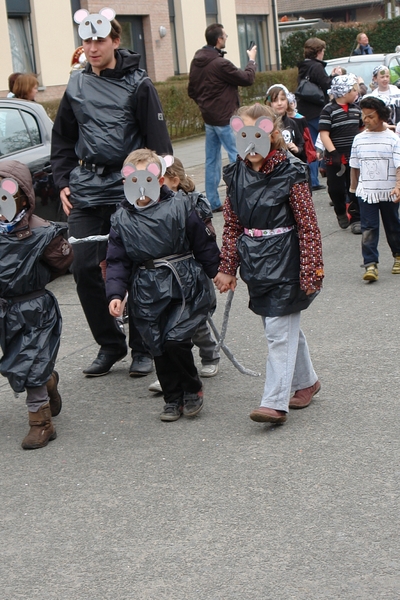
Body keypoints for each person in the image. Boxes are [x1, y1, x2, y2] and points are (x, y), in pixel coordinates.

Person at [50, 8, 173, 378]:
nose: (92, 47)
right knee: (86, 267)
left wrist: (160, 186)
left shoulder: (140, 85)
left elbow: (159, 144)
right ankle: (109, 343)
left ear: (115, 41)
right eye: (86, 40)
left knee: (134, 266)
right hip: (86, 188)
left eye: (99, 40)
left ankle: (142, 347)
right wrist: (62, 180)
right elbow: (63, 138)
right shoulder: (75, 85)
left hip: (129, 188)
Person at [214, 104, 323, 424]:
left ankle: (275, 401)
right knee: (282, 327)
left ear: (270, 133)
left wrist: (311, 268)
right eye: (242, 136)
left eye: (256, 135)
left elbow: (308, 225)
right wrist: (227, 267)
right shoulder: (235, 175)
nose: (249, 144)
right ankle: (307, 383)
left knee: (278, 331)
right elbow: (232, 225)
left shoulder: (291, 172)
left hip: (288, 261)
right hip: (256, 263)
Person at [106, 149, 220, 422]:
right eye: (134, 180)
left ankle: (192, 389)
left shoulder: (181, 207)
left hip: (183, 283)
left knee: (176, 339)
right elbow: (117, 260)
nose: (141, 187)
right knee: (157, 344)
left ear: (160, 180)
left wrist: (218, 271)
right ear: (125, 182)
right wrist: (116, 293)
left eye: (148, 178)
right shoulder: (121, 219)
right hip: (146, 289)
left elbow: (202, 243)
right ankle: (172, 397)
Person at [0, 160, 73, 449]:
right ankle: (48, 381)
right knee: (16, 363)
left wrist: (33, 280)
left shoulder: (42, 233)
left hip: (34, 307)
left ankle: (41, 423)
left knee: (30, 363)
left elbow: (62, 261)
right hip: (5, 310)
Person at [148, 157, 220, 394]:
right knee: (166, 327)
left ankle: (210, 354)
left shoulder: (193, 205)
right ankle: (173, 372)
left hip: (189, 273)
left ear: (174, 181)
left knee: (193, 324)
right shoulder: (147, 207)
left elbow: (205, 239)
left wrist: (214, 270)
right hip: (161, 278)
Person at [188, 23, 257, 212]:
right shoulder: (220, 64)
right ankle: (244, 194)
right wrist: (251, 60)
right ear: (219, 39)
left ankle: (213, 201)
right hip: (226, 118)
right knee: (238, 156)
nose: (226, 38)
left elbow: (191, 91)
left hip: (209, 119)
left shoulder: (196, 61)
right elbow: (247, 79)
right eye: (225, 35)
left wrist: (206, 105)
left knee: (212, 160)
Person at [349, 95, 400, 282]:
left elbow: (399, 165)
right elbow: (354, 166)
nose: (366, 120)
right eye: (364, 116)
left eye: (370, 116)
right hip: (366, 192)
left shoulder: (393, 139)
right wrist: (353, 191)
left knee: (393, 225)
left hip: (389, 191)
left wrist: (398, 186)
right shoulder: (358, 139)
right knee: (368, 227)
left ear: (381, 116)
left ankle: (398, 256)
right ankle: (370, 264)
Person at [318, 74, 363, 233]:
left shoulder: (357, 110)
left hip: (354, 158)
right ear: (344, 92)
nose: (356, 93)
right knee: (335, 189)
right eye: (353, 90)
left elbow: (362, 129)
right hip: (335, 159)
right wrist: (333, 152)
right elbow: (324, 134)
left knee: (355, 188)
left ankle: (357, 218)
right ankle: (340, 210)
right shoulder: (328, 110)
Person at [296, 37, 342, 191]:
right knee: (327, 139)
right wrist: (335, 75)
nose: (323, 54)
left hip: (304, 110)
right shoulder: (316, 67)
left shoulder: (303, 66)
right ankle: (327, 169)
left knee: (312, 144)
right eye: (322, 51)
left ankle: (313, 180)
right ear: (318, 52)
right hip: (317, 110)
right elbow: (327, 84)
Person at [265, 84, 307, 163]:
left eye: (282, 99)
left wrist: (297, 149)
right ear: (269, 103)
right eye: (275, 100)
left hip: (291, 166)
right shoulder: (267, 125)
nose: (279, 103)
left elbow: (301, 142)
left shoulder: (292, 123)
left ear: (288, 101)